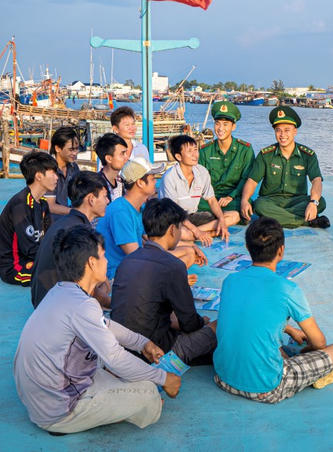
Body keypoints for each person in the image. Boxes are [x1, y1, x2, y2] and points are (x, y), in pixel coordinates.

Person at [14, 226, 181, 434]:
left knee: (119, 369)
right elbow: (116, 358)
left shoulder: (61, 292)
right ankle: (72, 421)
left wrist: (142, 343)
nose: (107, 261)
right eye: (103, 256)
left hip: (41, 399)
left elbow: (105, 325)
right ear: (92, 263)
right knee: (148, 392)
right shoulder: (84, 305)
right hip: (58, 410)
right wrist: (163, 378)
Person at [213, 217, 333, 403]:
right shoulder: (288, 289)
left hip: (223, 377)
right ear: (281, 250)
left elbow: (250, 315)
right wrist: (308, 351)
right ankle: (312, 374)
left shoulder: (230, 281)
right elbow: (319, 341)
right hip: (267, 387)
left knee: (275, 345)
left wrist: (289, 329)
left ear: (248, 247)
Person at [111, 199, 217, 366]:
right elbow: (189, 324)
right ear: (173, 230)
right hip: (153, 350)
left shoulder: (128, 261)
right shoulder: (173, 266)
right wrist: (203, 322)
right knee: (217, 329)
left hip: (120, 347)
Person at [240, 106, 329, 229]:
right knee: (258, 205)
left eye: (287, 130)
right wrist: (244, 200)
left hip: (297, 201)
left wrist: (313, 203)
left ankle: (271, 220)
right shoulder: (265, 155)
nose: (282, 135)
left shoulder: (308, 155)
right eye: (278, 130)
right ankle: (306, 221)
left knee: (321, 202)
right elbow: (252, 181)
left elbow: (316, 180)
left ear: (295, 131)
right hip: (270, 201)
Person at [31, 171, 110, 309]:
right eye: (105, 196)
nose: (108, 201)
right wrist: (112, 304)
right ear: (91, 199)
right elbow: (83, 283)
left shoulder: (65, 222)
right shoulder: (80, 234)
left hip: (43, 298)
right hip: (56, 306)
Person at [0, 151, 56, 286]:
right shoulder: (20, 205)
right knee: (62, 275)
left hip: (30, 258)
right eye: (53, 173)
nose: (57, 177)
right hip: (14, 266)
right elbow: (29, 248)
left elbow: (49, 238)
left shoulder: (43, 204)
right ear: (39, 176)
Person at [159, 134, 236, 243]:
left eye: (196, 150)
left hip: (192, 216)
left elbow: (211, 200)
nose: (195, 155)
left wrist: (222, 221)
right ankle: (209, 233)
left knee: (234, 216)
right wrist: (196, 231)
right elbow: (173, 212)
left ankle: (198, 233)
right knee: (181, 232)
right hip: (174, 219)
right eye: (190, 151)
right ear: (179, 157)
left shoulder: (202, 171)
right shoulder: (170, 177)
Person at [97, 156, 161, 279]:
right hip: (117, 275)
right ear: (140, 183)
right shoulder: (120, 212)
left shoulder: (138, 207)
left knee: (186, 254)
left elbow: (154, 239)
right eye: (153, 179)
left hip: (131, 267)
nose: (155, 183)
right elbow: (135, 255)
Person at [198, 100, 254, 215]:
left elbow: (246, 179)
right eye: (217, 123)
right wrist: (211, 199)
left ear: (233, 126)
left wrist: (230, 196)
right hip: (210, 198)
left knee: (247, 205)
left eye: (225, 124)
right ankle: (224, 217)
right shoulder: (205, 150)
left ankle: (214, 218)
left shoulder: (245, 150)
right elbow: (201, 180)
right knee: (193, 204)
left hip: (234, 197)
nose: (220, 128)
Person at [46, 126, 81, 218]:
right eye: (71, 149)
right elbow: (50, 206)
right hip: (48, 222)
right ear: (57, 148)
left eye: (77, 149)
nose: (75, 153)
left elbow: (77, 193)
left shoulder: (73, 168)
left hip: (64, 217)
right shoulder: (48, 170)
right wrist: (76, 212)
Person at [94, 132, 129, 204]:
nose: (127, 157)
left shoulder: (122, 182)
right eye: (122, 153)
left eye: (126, 153)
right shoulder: (96, 186)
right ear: (109, 159)